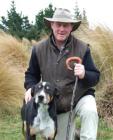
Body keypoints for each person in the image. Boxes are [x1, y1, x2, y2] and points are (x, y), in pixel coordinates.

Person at [24, 8, 100, 140]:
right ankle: (74, 134)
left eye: (66, 25)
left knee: (90, 112)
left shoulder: (83, 48)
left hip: (81, 97)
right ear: (52, 25)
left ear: (71, 27)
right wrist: (30, 88)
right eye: (58, 24)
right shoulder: (38, 49)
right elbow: (31, 74)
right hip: (58, 106)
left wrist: (84, 74)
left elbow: (95, 76)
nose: (62, 29)